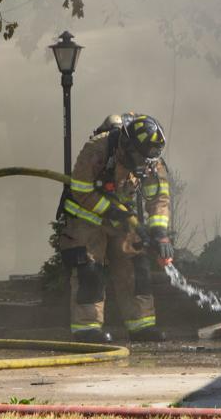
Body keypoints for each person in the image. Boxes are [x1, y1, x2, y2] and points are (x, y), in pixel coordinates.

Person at [59, 113, 174, 343]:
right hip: (86, 216)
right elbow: (81, 190)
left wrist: (160, 233)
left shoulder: (150, 158)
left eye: (147, 161)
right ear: (127, 145)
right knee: (89, 270)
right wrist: (113, 211)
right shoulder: (98, 149)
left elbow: (158, 198)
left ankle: (141, 326)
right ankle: (86, 330)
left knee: (136, 264)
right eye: (139, 159)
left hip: (121, 217)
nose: (143, 165)